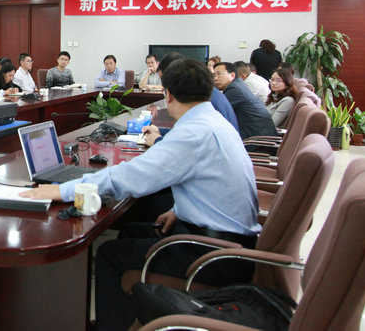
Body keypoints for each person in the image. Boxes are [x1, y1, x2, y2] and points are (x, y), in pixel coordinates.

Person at [21, 59, 260, 331]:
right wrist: (178, 210)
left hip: (213, 255)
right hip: (229, 243)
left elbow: (131, 178)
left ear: (168, 95)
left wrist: (61, 190)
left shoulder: (194, 133)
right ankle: (124, 318)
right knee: (132, 231)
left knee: (109, 255)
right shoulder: (212, 121)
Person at [213, 62, 277, 139]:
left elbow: (216, 113)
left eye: (219, 74)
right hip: (255, 135)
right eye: (214, 75)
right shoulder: (237, 85)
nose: (215, 78)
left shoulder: (235, 90)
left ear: (232, 75)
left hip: (256, 140)